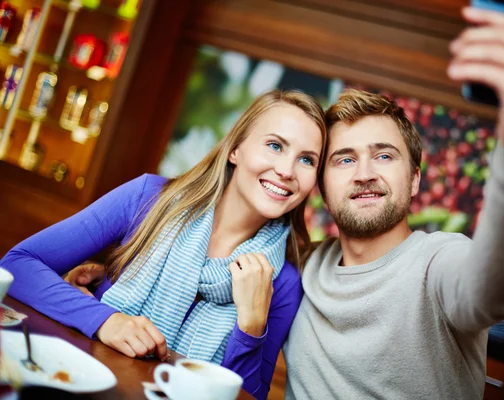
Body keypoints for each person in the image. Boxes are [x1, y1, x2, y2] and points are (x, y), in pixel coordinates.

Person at [282, 7, 504, 400]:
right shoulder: (305, 267)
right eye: (344, 159)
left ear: (414, 180)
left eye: (383, 156)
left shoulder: (438, 263)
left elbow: (496, 288)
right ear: (323, 187)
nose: (364, 173)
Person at [0, 89, 327, 400]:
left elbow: (247, 397)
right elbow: (18, 262)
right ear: (235, 149)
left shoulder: (282, 284)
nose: (286, 170)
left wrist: (252, 327)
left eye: (307, 160)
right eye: (274, 145)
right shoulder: (148, 199)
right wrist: (104, 320)